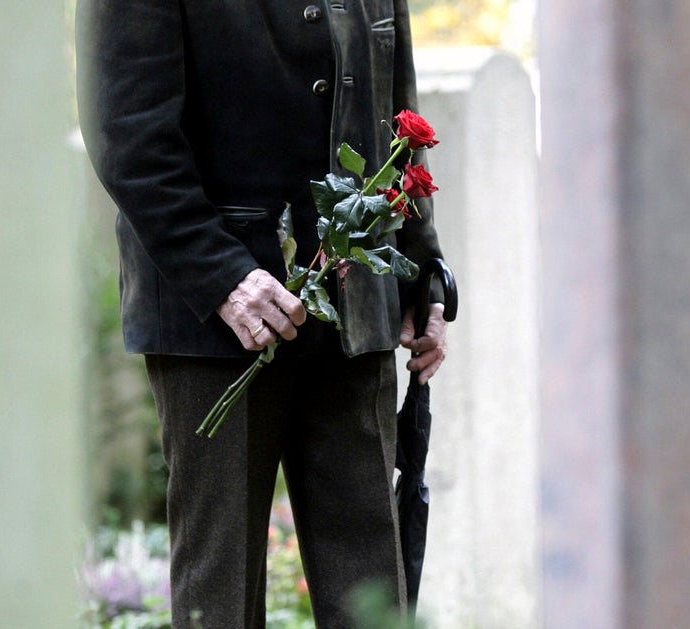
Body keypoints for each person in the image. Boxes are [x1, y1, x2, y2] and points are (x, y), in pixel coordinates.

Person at [75, 2, 448, 627]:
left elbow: (397, 109)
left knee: (373, 592)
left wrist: (423, 274)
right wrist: (224, 277)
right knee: (217, 598)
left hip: (357, 308)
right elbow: (127, 132)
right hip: (211, 326)